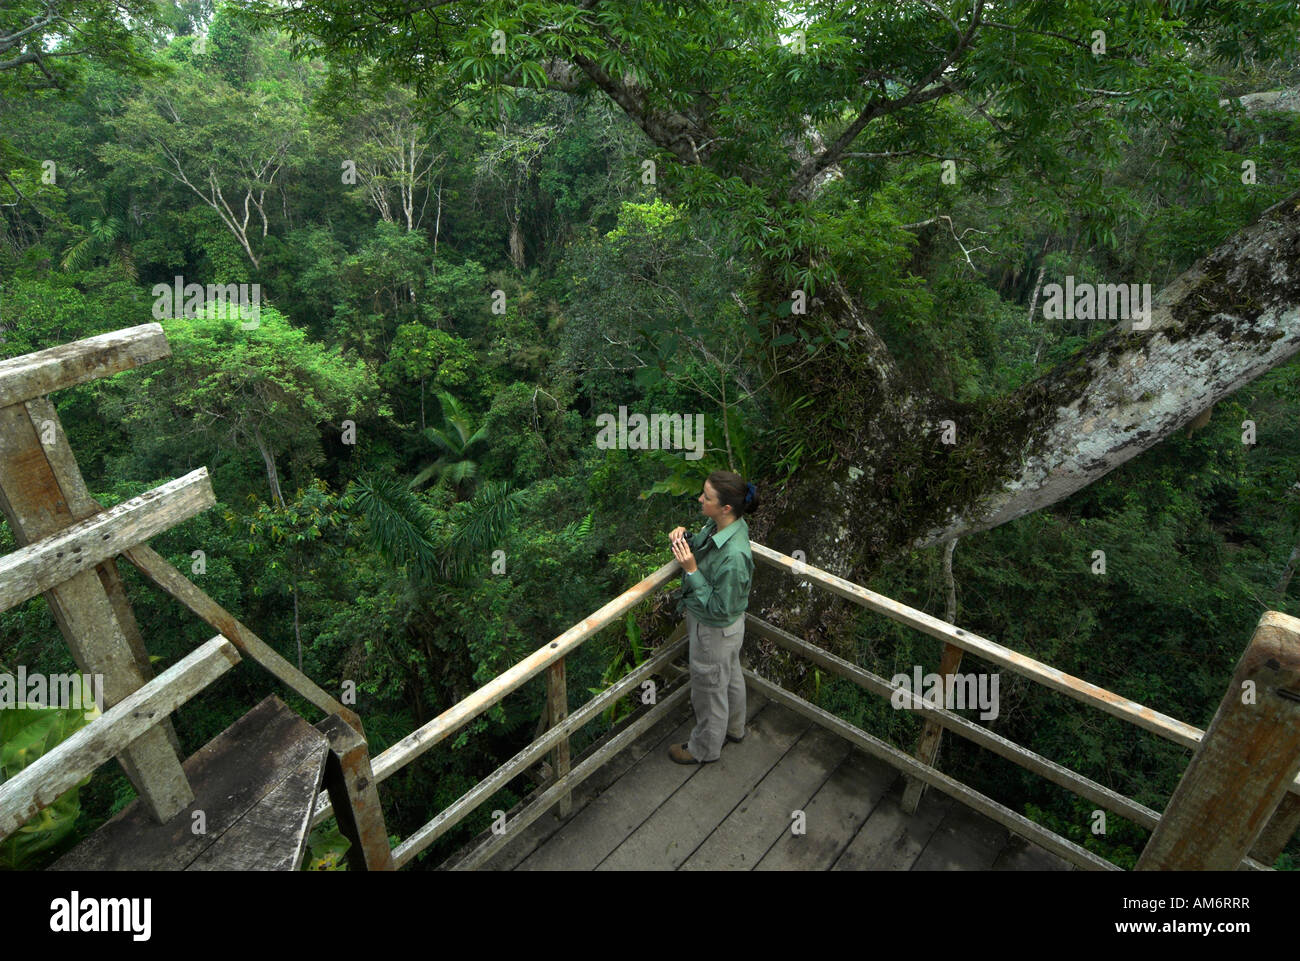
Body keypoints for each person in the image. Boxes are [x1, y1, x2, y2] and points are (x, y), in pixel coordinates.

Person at [667, 470, 759, 764]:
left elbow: (718, 606)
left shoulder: (734, 556)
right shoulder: (724, 524)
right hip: (728, 630)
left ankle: (703, 749)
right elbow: (707, 548)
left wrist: (691, 570)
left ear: (726, 507)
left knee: (708, 691)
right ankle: (734, 729)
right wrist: (686, 539)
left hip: (714, 630)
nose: (700, 499)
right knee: (729, 677)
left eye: (706, 497)